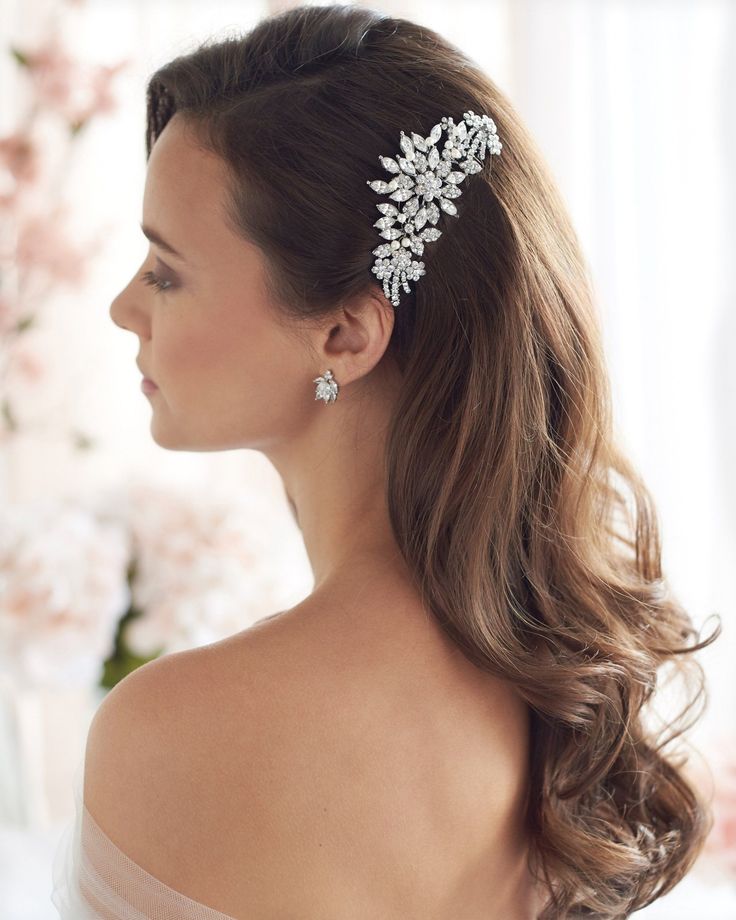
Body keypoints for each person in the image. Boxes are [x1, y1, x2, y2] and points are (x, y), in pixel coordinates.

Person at [51, 4, 721, 919]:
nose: (125, 308)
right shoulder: (556, 696)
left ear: (345, 331)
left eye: (165, 271)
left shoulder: (174, 730)